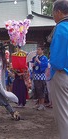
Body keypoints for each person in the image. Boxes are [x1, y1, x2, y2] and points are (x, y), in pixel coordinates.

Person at [49, 1, 68, 138]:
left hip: (63, 74)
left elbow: (56, 60)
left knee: (63, 115)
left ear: (58, 12)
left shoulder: (61, 27)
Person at [31, 45, 48, 111]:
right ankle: (38, 103)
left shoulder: (44, 58)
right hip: (36, 76)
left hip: (41, 77)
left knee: (41, 90)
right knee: (37, 91)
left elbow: (45, 65)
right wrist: (33, 65)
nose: (37, 51)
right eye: (37, 49)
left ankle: (42, 104)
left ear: (42, 51)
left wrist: (38, 61)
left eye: (39, 49)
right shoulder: (36, 57)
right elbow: (34, 67)